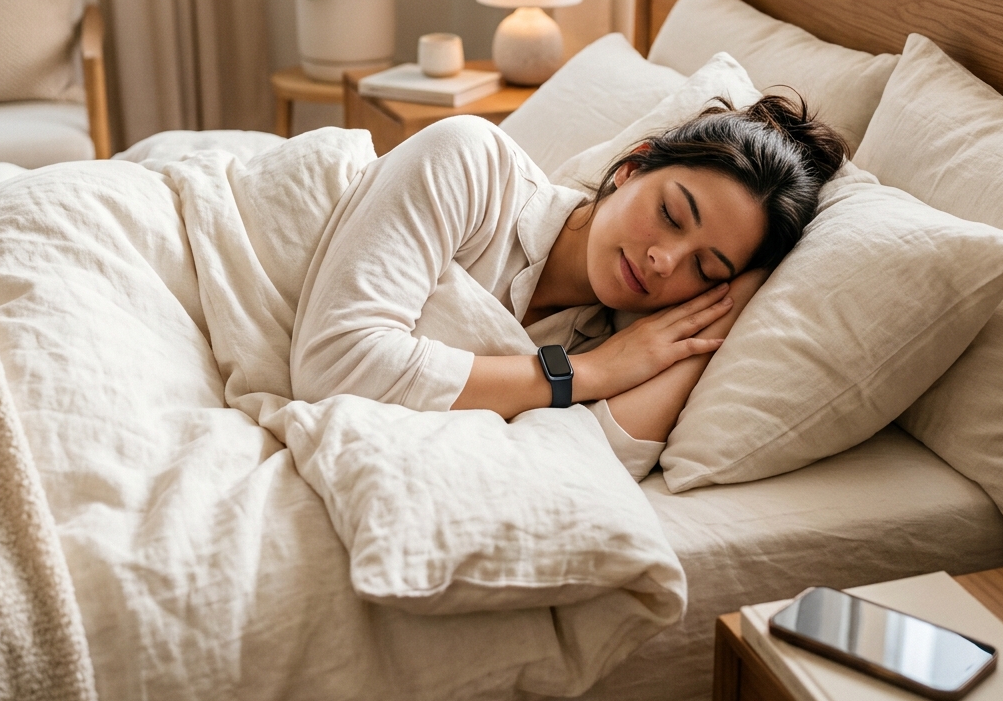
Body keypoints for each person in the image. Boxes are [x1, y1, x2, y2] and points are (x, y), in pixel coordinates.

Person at [290, 94, 846, 478]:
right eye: (672, 214)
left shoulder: (612, 333)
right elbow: (334, 366)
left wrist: (731, 307)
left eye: (705, 269)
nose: (664, 260)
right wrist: (591, 373)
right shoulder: (474, 163)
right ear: (631, 167)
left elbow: (599, 463)